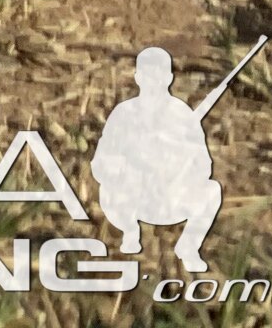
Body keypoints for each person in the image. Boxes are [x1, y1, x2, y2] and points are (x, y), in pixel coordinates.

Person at [91, 48, 225, 272]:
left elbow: (204, 165)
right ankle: (130, 233)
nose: (153, 82)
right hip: (133, 199)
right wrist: (128, 164)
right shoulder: (123, 113)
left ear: (169, 78)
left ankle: (189, 247)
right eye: (148, 75)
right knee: (108, 190)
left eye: (159, 76)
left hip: (171, 198)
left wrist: (177, 162)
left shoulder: (182, 115)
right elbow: (100, 163)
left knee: (212, 191)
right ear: (138, 78)